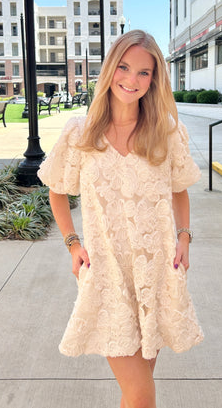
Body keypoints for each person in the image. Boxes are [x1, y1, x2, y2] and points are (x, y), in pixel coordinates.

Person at [38, 30, 203, 408]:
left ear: (154, 79)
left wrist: (184, 238)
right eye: (124, 67)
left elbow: (180, 188)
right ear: (110, 68)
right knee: (142, 395)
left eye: (144, 72)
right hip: (108, 275)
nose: (132, 79)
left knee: (135, 393)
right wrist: (73, 244)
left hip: (157, 272)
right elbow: (56, 189)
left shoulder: (166, 131)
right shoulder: (80, 133)